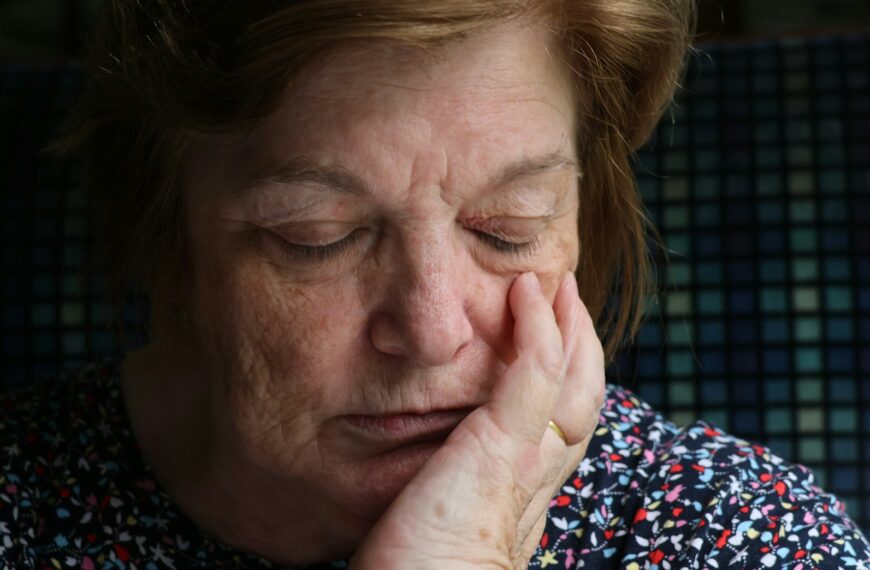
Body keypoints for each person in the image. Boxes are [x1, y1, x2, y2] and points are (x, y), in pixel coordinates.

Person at [1, 1, 869, 568]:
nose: (431, 327)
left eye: (508, 228)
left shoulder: (737, 538)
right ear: (168, 241)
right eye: (318, 238)